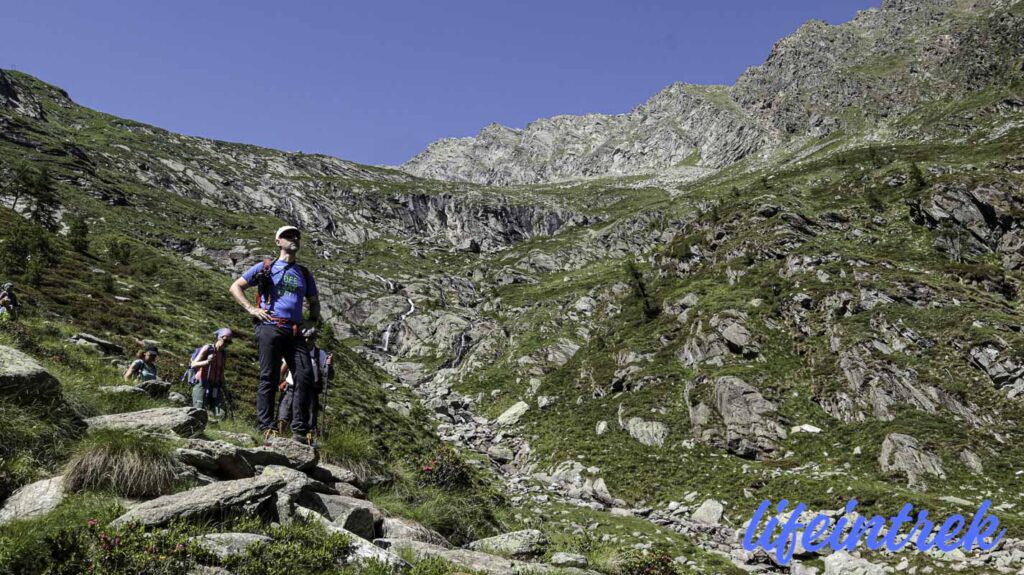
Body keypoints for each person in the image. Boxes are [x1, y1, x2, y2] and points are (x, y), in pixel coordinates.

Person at [229, 225, 320, 445]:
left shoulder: (304, 273)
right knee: (268, 376)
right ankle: (267, 428)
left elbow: (314, 302)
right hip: (269, 326)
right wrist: (252, 309)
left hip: (295, 330)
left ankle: (300, 430)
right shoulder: (266, 267)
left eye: (296, 236)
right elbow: (236, 287)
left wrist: (312, 321)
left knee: (305, 376)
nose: (294, 239)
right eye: (288, 236)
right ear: (278, 242)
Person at [277, 327, 333, 438]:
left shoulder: (320, 354)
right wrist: (280, 381)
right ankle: (280, 438)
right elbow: (283, 368)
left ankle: (306, 440)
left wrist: (329, 366)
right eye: (305, 338)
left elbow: (329, 375)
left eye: (310, 338)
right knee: (284, 415)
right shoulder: (295, 349)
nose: (307, 341)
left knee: (310, 418)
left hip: (310, 389)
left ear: (315, 339)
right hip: (291, 387)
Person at [189, 328, 233, 420]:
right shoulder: (207, 348)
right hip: (201, 383)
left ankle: (217, 431)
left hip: (215, 386)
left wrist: (225, 390)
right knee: (198, 410)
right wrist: (207, 362)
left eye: (229, 342)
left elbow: (221, 373)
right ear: (219, 338)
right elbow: (193, 364)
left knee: (221, 414)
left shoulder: (223, 354)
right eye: (225, 340)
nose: (227, 344)